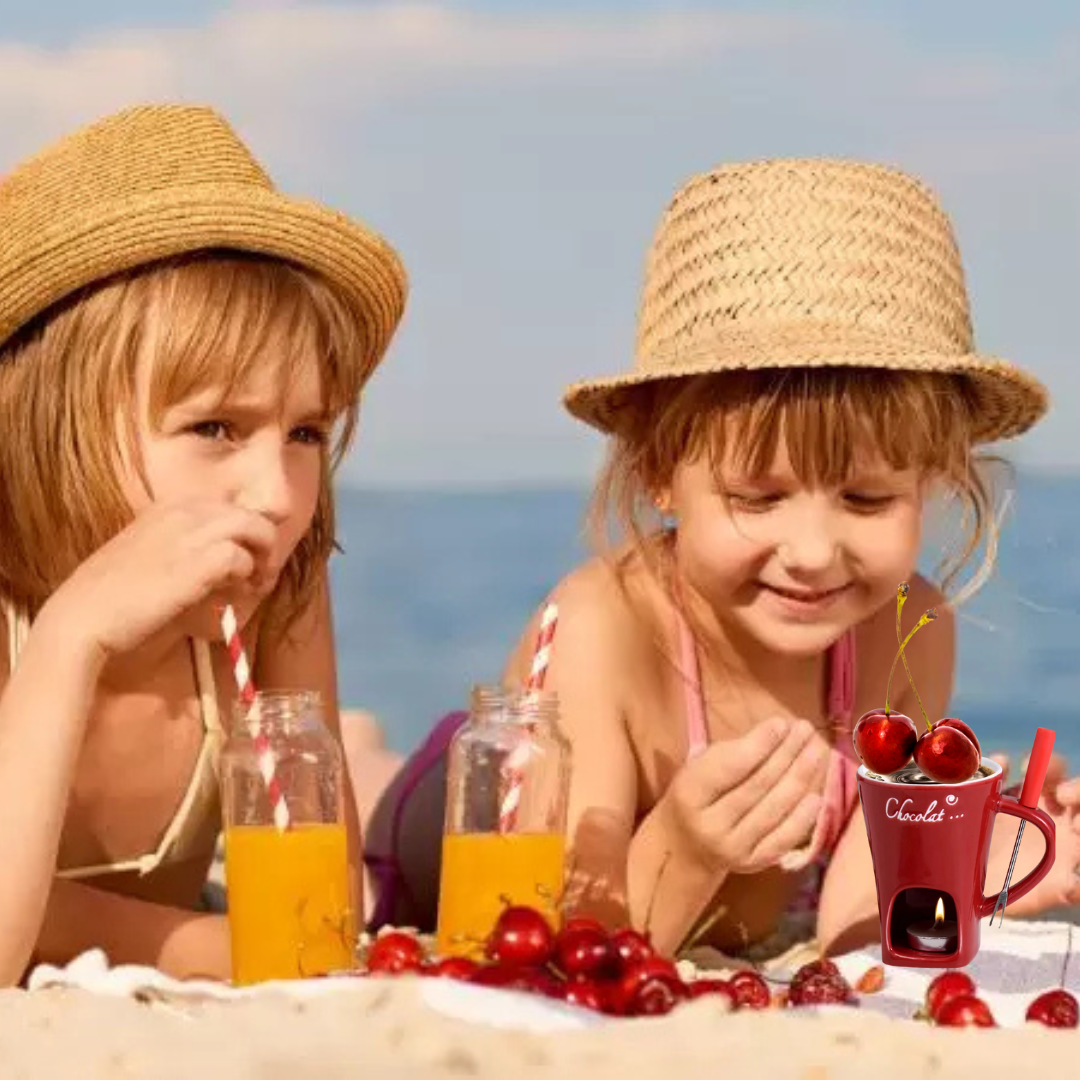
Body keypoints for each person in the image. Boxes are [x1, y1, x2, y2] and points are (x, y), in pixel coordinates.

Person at [359, 158, 1080, 959]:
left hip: (742, 904)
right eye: (758, 499)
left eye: (867, 501)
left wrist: (980, 879)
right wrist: (687, 848)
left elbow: (854, 925)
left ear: (933, 482)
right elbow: (563, 946)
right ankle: (364, 755)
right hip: (447, 820)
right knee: (364, 787)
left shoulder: (910, 625)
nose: (812, 555)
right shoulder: (603, 628)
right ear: (659, 474)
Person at [0, 103, 407, 986]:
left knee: (403, 789)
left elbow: (317, 922)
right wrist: (70, 638)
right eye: (215, 427)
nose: (276, 497)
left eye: (305, 434)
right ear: (46, 422)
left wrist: (67, 923)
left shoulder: (277, 580)